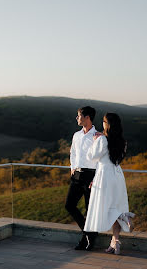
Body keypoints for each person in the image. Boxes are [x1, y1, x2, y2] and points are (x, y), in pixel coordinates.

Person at [84, 113, 135, 255]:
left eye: (104, 121)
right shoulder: (123, 142)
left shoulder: (102, 140)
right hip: (117, 175)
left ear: (108, 124)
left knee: (106, 207)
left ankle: (121, 216)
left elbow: (91, 157)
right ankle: (115, 242)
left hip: (104, 175)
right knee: (115, 205)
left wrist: (95, 140)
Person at [65, 106, 98, 250]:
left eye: (79, 116)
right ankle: (89, 234)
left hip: (91, 175)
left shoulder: (97, 136)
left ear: (87, 117)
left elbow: (101, 160)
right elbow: (72, 152)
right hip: (76, 174)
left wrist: (96, 178)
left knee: (89, 209)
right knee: (69, 205)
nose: (77, 118)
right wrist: (72, 167)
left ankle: (86, 240)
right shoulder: (76, 135)